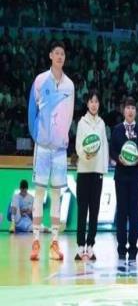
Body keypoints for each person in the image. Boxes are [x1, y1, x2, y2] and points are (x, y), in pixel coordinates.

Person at [28, 41, 75, 261]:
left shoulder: (70, 85)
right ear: (50, 55)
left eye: (62, 54)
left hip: (59, 150)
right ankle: (35, 241)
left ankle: (55, 243)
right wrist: (37, 137)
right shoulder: (40, 80)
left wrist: (63, 138)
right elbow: (31, 111)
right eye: (56, 53)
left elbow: (69, 115)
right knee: (39, 192)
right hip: (42, 148)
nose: (60, 56)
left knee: (56, 194)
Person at [110, 97, 138, 262]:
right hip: (121, 175)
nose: (130, 111)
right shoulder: (117, 129)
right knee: (121, 212)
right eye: (128, 108)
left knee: (134, 212)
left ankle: (133, 248)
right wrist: (118, 158)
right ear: (123, 111)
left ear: (136, 111)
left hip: (136, 176)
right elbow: (112, 150)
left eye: (133, 108)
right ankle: (121, 247)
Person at [74, 90, 109, 261]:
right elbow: (78, 145)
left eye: (96, 101)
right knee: (82, 209)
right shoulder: (82, 122)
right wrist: (84, 155)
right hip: (83, 170)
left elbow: (104, 146)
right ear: (87, 104)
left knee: (94, 210)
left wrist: (103, 169)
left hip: (97, 172)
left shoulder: (102, 123)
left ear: (99, 104)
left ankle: (90, 245)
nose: (94, 104)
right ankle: (80, 246)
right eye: (91, 101)